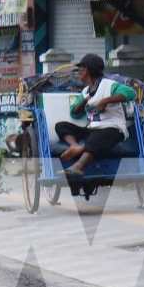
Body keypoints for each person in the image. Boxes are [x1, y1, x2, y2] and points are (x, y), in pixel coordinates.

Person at [54, 53, 136, 190]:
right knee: (61, 126)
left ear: (87, 70)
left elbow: (130, 93)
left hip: (113, 128)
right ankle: (75, 146)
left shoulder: (109, 85)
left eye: (80, 69)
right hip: (93, 129)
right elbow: (74, 113)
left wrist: (105, 101)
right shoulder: (86, 91)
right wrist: (84, 100)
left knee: (98, 136)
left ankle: (78, 166)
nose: (79, 72)